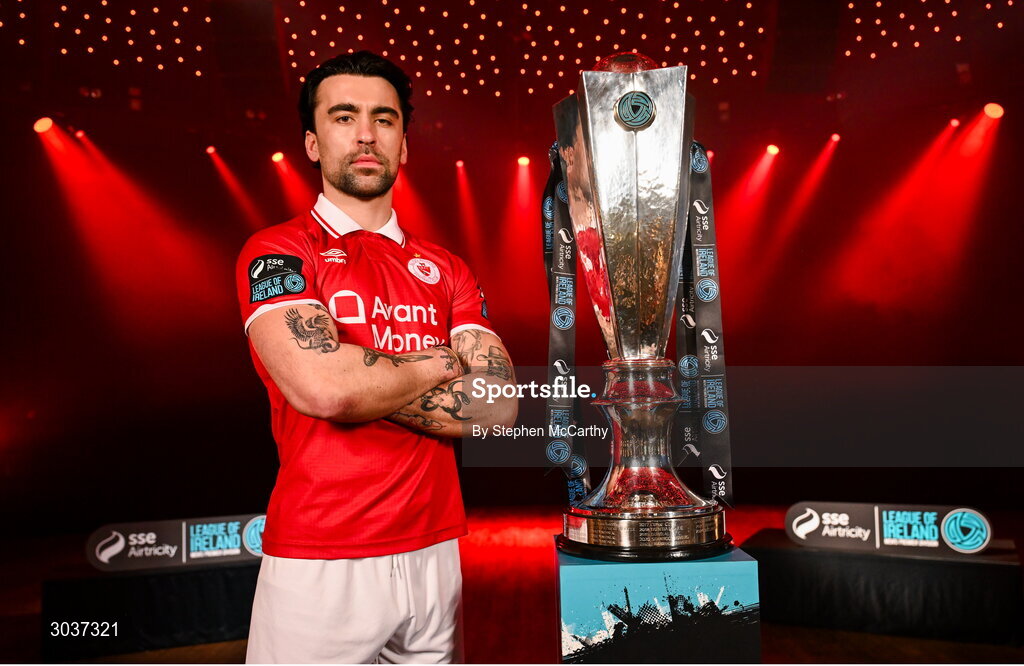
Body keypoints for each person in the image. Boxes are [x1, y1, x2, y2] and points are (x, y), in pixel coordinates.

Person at [235, 50, 518, 664]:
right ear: (312, 143)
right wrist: (441, 360)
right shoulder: (279, 251)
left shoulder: (447, 268)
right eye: (344, 116)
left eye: (383, 119)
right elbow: (324, 390)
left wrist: (360, 370)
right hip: (321, 554)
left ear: (403, 145)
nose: (366, 133)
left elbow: (497, 408)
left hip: (434, 549)